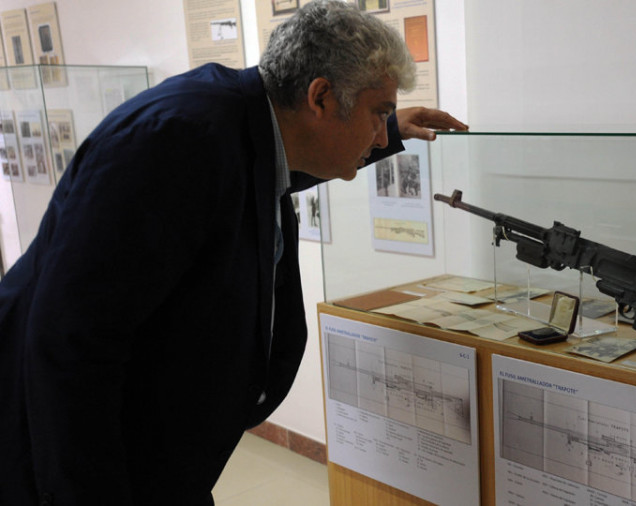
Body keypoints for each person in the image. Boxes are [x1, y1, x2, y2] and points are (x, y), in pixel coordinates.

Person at [0, 1, 467, 504]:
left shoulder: (248, 126)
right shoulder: (177, 140)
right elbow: (71, 341)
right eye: (377, 113)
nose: (379, 130)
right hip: (69, 458)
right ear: (322, 97)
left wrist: (388, 131)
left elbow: (272, 172)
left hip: (158, 449)